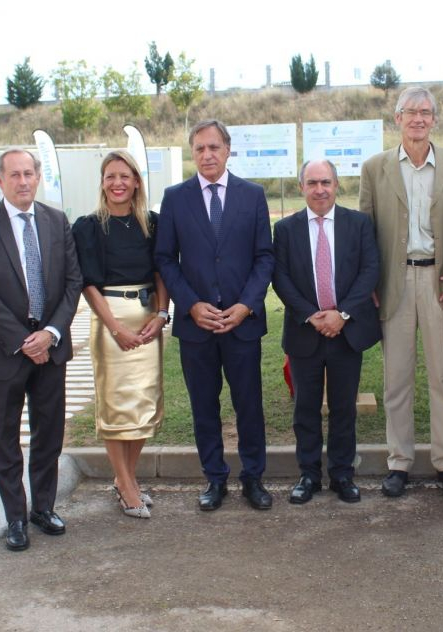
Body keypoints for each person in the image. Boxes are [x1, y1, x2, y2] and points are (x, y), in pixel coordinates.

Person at [359, 86, 443, 498]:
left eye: (426, 112)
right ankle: (399, 462)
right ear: (397, 118)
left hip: (442, 282)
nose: (418, 119)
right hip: (394, 282)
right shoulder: (375, 168)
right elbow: (365, 233)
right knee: (397, 378)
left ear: (435, 119)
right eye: (410, 112)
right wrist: (369, 282)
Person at [0, 148, 83, 550]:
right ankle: (15, 516)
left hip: (51, 350)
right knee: (4, 437)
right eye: (14, 175)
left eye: (29, 173)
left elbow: (72, 283)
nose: (23, 181)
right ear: (0, 180)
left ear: (38, 176)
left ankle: (42, 507)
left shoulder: (56, 221)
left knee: (48, 433)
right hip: (4, 354)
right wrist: (21, 340)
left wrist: (50, 332)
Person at [155, 119, 275, 511]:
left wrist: (245, 305)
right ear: (193, 153)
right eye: (200, 149)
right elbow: (165, 260)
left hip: (242, 324)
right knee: (204, 407)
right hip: (197, 327)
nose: (207, 155)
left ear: (228, 150)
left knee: (249, 406)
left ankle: (253, 478)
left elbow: (264, 257)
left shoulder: (252, 195)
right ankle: (215, 479)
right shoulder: (175, 198)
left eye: (214, 148)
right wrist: (189, 303)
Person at [272, 160, 381, 504]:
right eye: (312, 183)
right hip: (306, 331)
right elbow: (281, 278)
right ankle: (309, 475)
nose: (319, 189)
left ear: (337, 185)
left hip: (346, 332)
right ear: (301, 186)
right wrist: (311, 316)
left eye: (326, 182)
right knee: (305, 408)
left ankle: (342, 474)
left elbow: (370, 270)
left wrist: (342, 314)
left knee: (343, 407)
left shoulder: (359, 224)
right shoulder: (286, 229)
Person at [72, 150, 169, 519]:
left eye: (125, 176)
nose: (118, 183)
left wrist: (161, 314)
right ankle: (127, 486)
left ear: (137, 182)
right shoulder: (88, 226)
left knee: (143, 404)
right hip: (110, 319)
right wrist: (114, 327)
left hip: (148, 319)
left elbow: (162, 271)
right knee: (116, 407)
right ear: (102, 181)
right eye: (111, 176)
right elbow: (88, 284)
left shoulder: (152, 224)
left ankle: (123, 478)